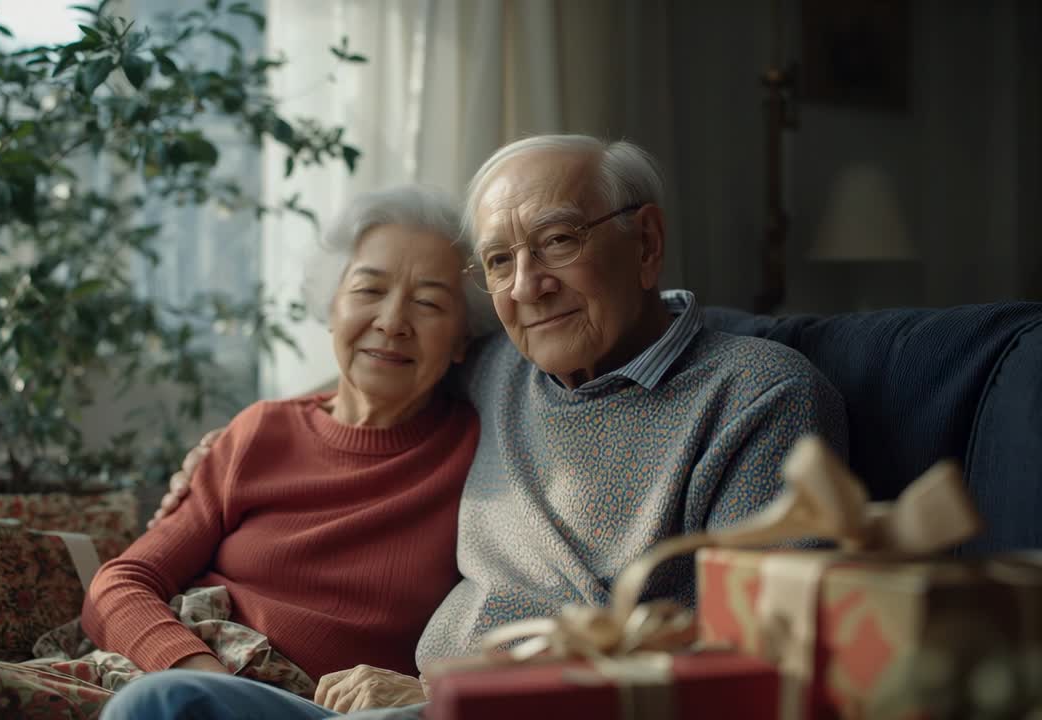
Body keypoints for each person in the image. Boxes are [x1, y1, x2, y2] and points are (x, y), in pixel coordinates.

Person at [109, 135, 848, 719]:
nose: (528, 286)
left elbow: (760, 661)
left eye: (559, 241)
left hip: (513, 709)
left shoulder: (757, 395)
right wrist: (241, 438)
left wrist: (446, 693)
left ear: (647, 243)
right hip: (392, 705)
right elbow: (380, 368)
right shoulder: (505, 366)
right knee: (169, 701)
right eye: (500, 260)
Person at [84, 185, 496, 708]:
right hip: (192, 677)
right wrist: (204, 682)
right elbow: (120, 583)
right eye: (368, 290)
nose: (392, 322)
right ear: (332, 307)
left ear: (463, 339)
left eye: (429, 303)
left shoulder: (482, 455)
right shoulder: (261, 432)